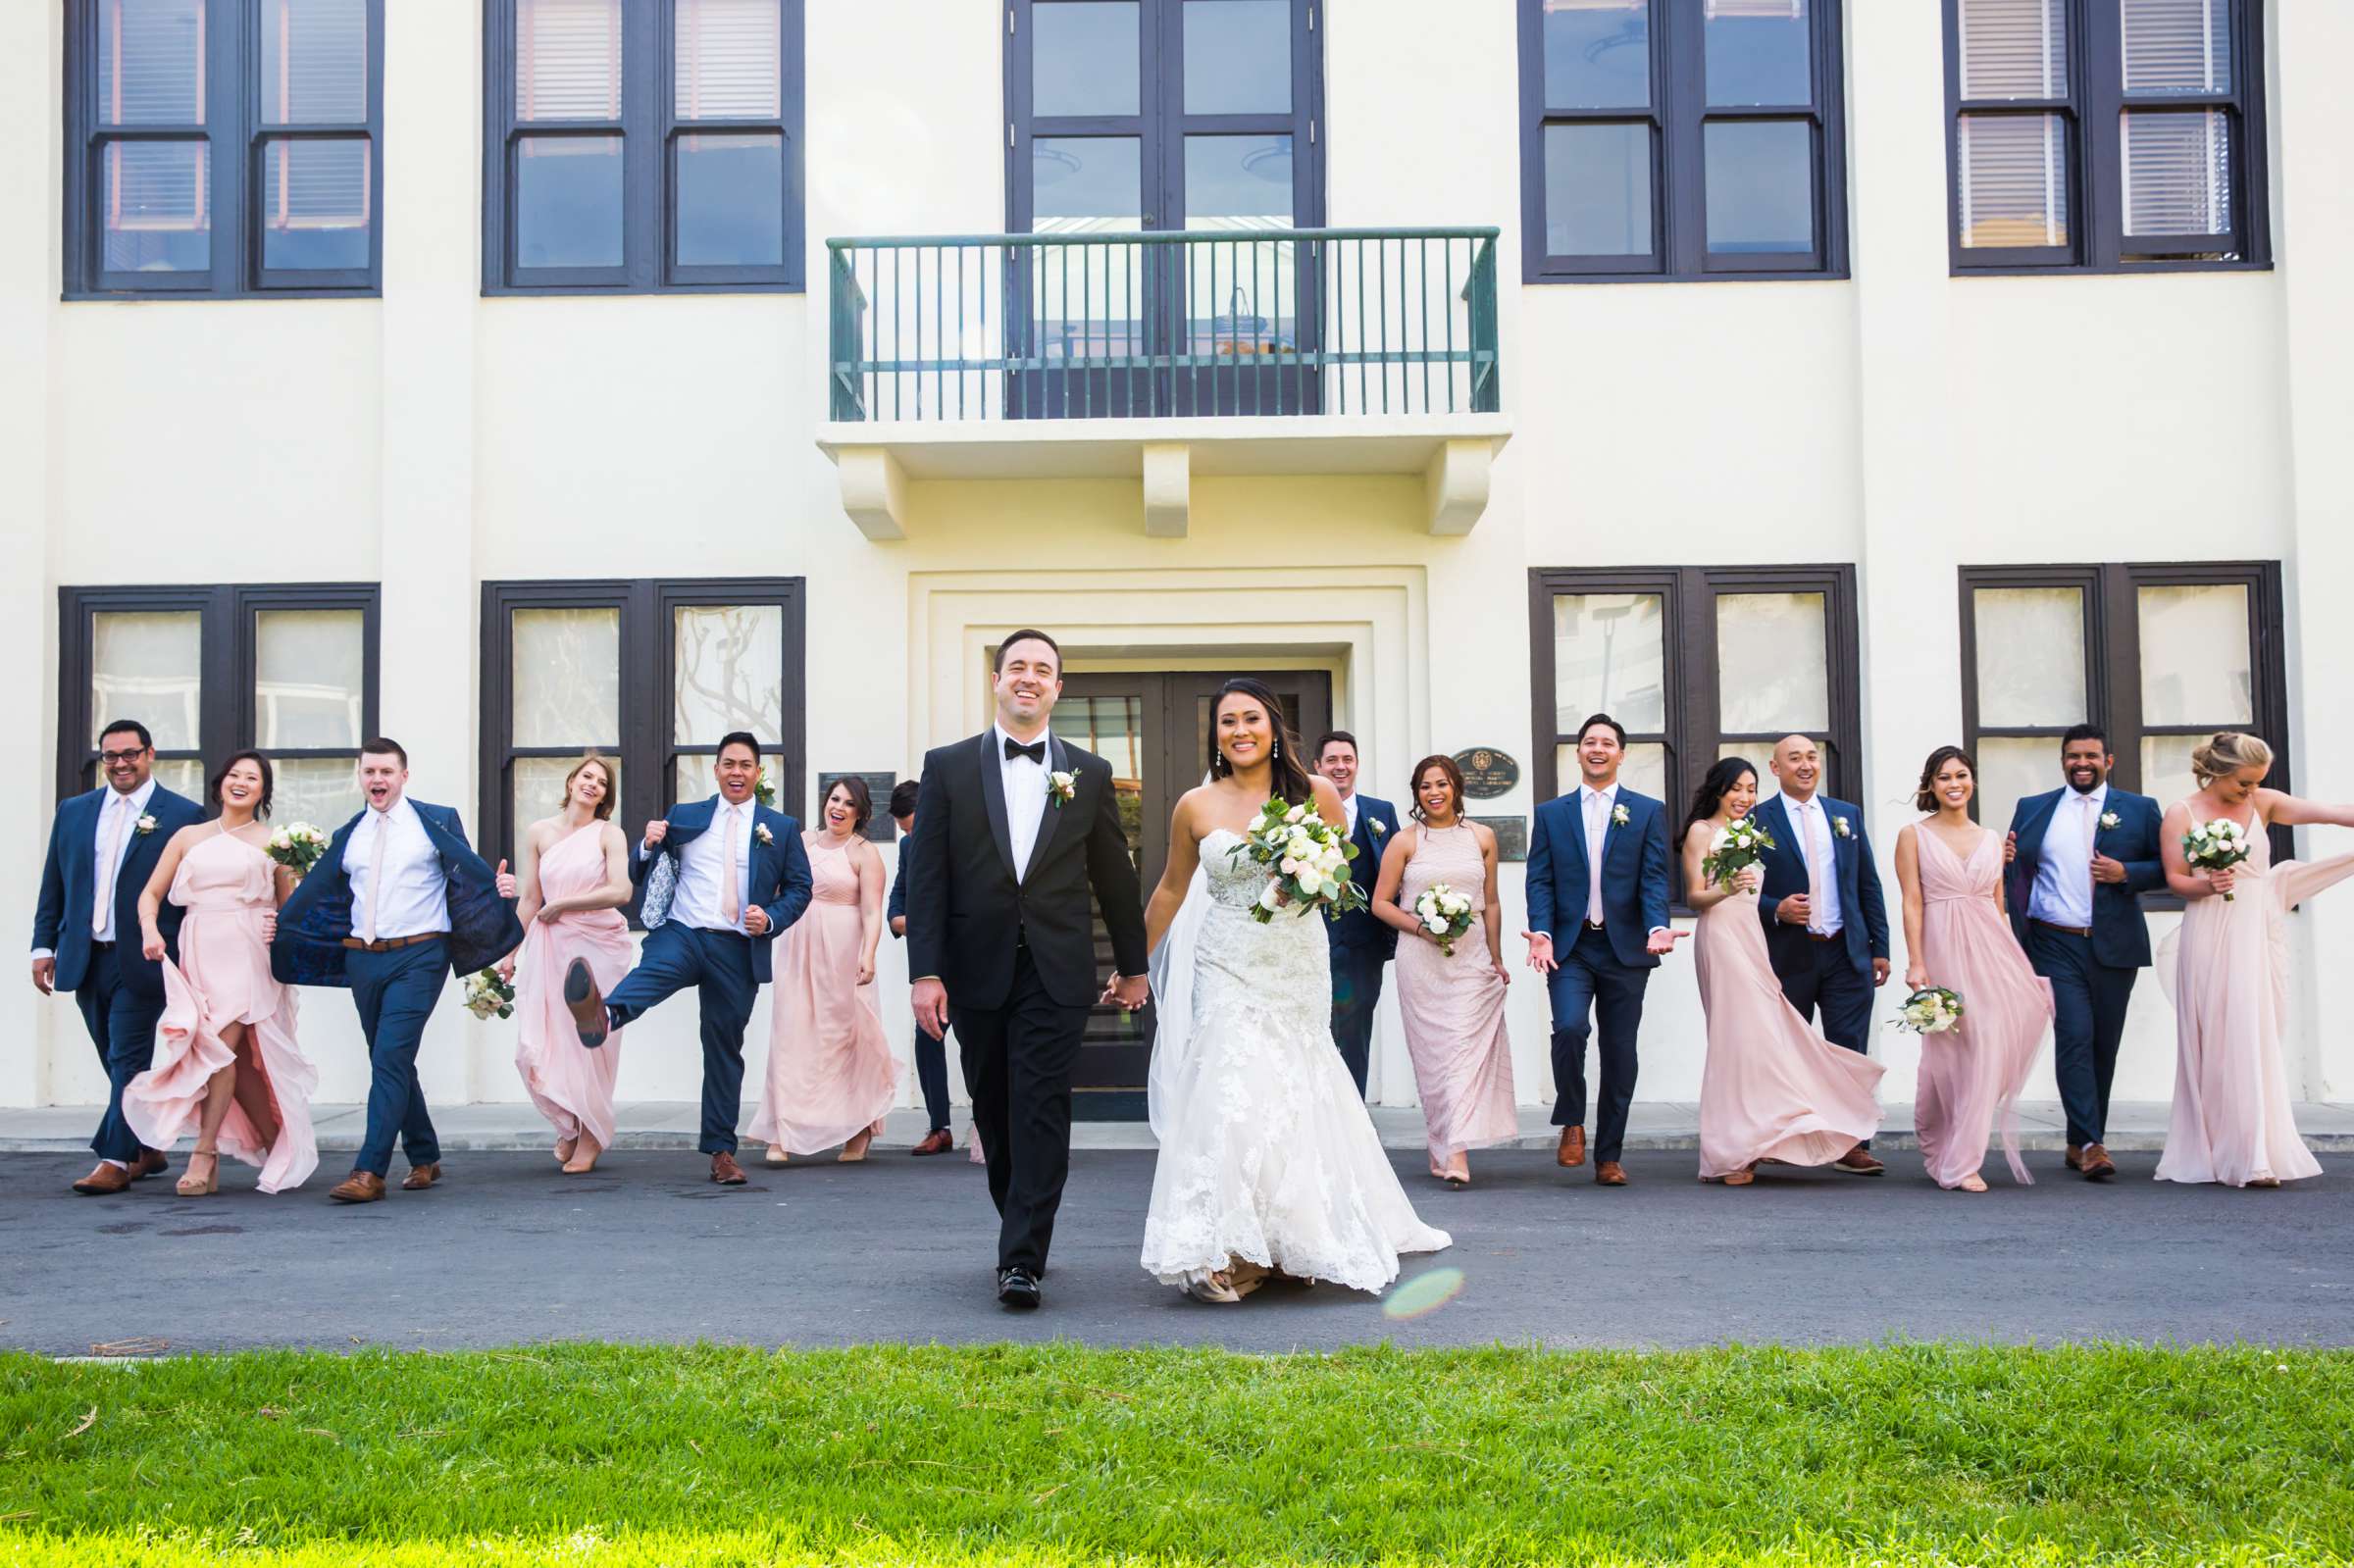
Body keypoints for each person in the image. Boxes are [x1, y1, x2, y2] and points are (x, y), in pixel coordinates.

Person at [1140, 680, 1450, 1302]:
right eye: (1226, 722)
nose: (1239, 730)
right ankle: (1226, 1243)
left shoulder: (1319, 795)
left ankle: (1288, 1239)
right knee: (1232, 1089)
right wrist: (1130, 962)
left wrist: (1304, 880)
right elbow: (1173, 888)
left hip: (1294, 962)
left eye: (1250, 718)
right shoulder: (1195, 805)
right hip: (1225, 961)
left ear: (1273, 727)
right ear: (1216, 735)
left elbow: (1338, 881)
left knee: (1290, 1090)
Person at [905, 630, 1151, 1310]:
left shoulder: (1091, 773)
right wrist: (924, 972)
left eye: (1043, 669)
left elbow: (1114, 877)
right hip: (974, 967)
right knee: (993, 1105)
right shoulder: (948, 766)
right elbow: (925, 877)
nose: (1029, 677)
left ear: (1058, 688)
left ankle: (1021, 1257)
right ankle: (1020, 1217)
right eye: (1018, 666)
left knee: (1041, 1104)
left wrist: (1134, 966)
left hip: (1056, 967)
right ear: (996, 678)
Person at [274, 737, 523, 1204]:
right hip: (363, 958)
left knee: (389, 1057)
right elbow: (326, 894)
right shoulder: (350, 833)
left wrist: (500, 890)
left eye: (386, 772)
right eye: (369, 772)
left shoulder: (436, 820)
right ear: (361, 777)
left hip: (421, 955)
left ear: (403, 776)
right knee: (390, 1060)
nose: (377, 780)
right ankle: (425, 1153)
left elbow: (468, 878)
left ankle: (369, 1171)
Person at [560, 733, 812, 1187]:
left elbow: (800, 889)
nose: (737, 772)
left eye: (746, 765)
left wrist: (770, 918)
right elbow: (638, 873)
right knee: (653, 973)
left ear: (758, 773)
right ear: (716, 770)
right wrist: (646, 843)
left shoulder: (782, 827)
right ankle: (604, 1014)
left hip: (736, 948)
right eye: (728, 763)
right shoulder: (685, 815)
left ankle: (721, 1152)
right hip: (684, 932)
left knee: (723, 1049)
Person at [2155, 732, 2354, 1189]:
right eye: (2243, 783)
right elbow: (2174, 880)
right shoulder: (2181, 813)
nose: (2250, 791)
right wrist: (2207, 885)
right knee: (2216, 1039)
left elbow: (2331, 814)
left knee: (2254, 1034)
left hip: (2254, 935)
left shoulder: (2263, 804)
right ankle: (2220, 1152)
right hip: (2207, 932)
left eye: (2257, 782)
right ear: (2219, 771)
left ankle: (2254, 1150)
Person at [121, 751, 315, 1195]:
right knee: (231, 1058)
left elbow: (291, 912)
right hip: (198, 946)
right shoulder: (188, 836)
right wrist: (151, 931)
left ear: (263, 791)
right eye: (235, 775)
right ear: (220, 783)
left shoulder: (275, 842)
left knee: (219, 1046)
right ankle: (271, 1140)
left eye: (253, 777)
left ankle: (203, 1154)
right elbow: (150, 894)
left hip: (246, 951)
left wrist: (275, 922)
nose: (241, 782)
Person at [1681, 758, 1881, 1186]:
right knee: (1734, 1041)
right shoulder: (1702, 831)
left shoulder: (1749, 834)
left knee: (1764, 1041)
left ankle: (1768, 1136)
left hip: (1753, 940)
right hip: (1720, 939)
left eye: (1751, 789)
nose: (1745, 797)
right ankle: (1732, 1153)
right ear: (1719, 789)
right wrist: (1726, 887)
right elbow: (1695, 897)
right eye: (1737, 788)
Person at [31, 719, 208, 1195]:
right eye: (110, 756)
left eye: (130, 753)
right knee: (113, 1059)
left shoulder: (183, 815)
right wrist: (43, 944)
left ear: (150, 754)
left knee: (127, 1056)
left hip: (144, 956)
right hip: (84, 955)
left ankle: (113, 1159)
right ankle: (147, 1147)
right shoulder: (74, 811)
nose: (120, 763)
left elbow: (192, 894)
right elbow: (56, 882)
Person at [1521, 713, 1681, 1187]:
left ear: (1621, 754)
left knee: (1619, 1052)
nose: (1597, 749)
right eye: (1589, 742)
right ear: (1578, 753)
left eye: (1607, 743)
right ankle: (1572, 1120)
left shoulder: (1647, 810)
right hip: (1570, 948)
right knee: (1569, 1029)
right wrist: (1542, 931)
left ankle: (1609, 1154)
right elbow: (1540, 879)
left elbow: (1655, 877)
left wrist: (1657, 924)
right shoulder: (1552, 813)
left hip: (1626, 949)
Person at [2002, 725, 2166, 1181]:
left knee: (2102, 1045)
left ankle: (2080, 1140)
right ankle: (2094, 1145)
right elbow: (2015, 869)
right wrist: (2005, 860)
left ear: (2108, 761)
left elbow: (2168, 869)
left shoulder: (2139, 809)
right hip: (2053, 941)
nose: (2082, 763)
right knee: (2073, 1034)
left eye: (2091, 756)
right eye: (2073, 756)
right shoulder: (2033, 809)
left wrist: (2125, 873)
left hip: (2114, 944)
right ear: (2062, 762)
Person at [1894, 746, 2053, 1193]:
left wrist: (2015, 963)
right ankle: (1941, 1143)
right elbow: (1911, 901)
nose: (1954, 784)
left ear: (1973, 781)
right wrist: (1916, 962)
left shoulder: (1991, 838)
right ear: (1931, 785)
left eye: (1961, 775)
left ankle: (1964, 1159)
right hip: (1943, 950)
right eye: (1944, 777)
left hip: (1992, 949)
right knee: (1950, 1052)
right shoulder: (1913, 835)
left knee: (1991, 1045)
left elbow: (1998, 906)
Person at [1745, 733, 1891, 1175]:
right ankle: (1779, 1137)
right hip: (1788, 953)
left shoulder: (1846, 816)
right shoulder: (1756, 819)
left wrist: (1880, 947)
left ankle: (1852, 1143)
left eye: (1812, 757)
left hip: (1846, 951)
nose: (1806, 765)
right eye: (1794, 759)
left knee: (1848, 1049)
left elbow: (1868, 882)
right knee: (1784, 1051)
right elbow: (1740, 889)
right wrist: (1776, 909)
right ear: (1775, 768)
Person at [1369, 753, 1515, 1188]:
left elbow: (1490, 902)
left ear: (1456, 787)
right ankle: (1444, 1145)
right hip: (1423, 959)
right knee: (1437, 1059)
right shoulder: (1405, 841)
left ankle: (1456, 1151)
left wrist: (1497, 957)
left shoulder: (1483, 837)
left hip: (1470, 958)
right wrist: (1421, 928)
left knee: (1463, 1053)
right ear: (1417, 794)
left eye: (1442, 784)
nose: (1434, 793)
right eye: (1425, 786)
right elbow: (1380, 903)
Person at [496, 753, 634, 1176]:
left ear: (606, 796)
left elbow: (622, 890)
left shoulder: (609, 834)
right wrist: (509, 952)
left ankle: (591, 1135)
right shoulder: (539, 832)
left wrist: (567, 904)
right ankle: (571, 1123)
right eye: (587, 776)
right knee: (544, 1043)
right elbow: (531, 900)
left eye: (602, 782)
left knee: (589, 1044)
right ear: (572, 781)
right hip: (550, 946)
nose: (593, 784)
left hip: (597, 949)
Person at [753, 776, 898, 1164]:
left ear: (860, 813)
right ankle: (782, 1131)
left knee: (844, 1038)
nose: (838, 808)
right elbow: (779, 886)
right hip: (798, 948)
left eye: (849, 804)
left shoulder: (865, 853)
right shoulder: (801, 841)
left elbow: (871, 911)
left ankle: (858, 1129)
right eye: (835, 799)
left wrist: (868, 955)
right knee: (791, 1035)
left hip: (843, 953)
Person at [1312, 731, 1400, 1096]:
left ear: (1357, 765)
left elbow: (1400, 873)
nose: (1340, 767)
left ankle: (1353, 1118)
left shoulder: (1381, 813)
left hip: (1364, 947)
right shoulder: (1301, 813)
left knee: (1356, 1029)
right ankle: (1315, 1114)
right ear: (1317, 767)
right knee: (1314, 1030)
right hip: (1312, 944)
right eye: (1332, 760)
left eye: (1347, 759)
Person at [887, 778, 957, 1155]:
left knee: (979, 1045)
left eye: (913, 825)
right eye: (904, 829)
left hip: (971, 959)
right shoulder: (908, 846)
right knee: (928, 1040)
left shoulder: (962, 839)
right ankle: (939, 1127)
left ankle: (989, 1124)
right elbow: (898, 899)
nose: (910, 834)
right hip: (932, 964)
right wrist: (904, 921)